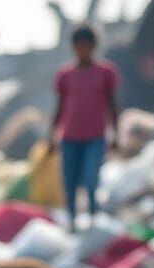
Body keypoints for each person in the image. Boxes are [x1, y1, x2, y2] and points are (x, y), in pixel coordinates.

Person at [50, 24, 121, 230]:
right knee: (70, 181)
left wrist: (116, 134)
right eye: (78, 46)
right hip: (70, 137)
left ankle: (93, 217)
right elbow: (59, 108)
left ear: (93, 46)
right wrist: (51, 135)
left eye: (86, 45)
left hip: (95, 137)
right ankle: (72, 220)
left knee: (91, 178)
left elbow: (113, 105)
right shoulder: (65, 74)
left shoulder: (105, 72)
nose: (82, 50)